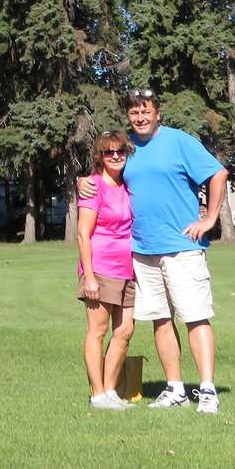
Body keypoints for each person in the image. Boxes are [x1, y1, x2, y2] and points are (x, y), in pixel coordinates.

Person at [80, 88, 228, 414]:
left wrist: (210, 217)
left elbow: (218, 173)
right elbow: (107, 172)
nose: (140, 117)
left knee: (194, 317)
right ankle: (174, 387)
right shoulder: (128, 149)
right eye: (134, 113)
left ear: (157, 113)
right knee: (160, 319)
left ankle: (206, 389)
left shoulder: (179, 141)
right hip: (142, 252)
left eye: (146, 111)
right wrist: (84, 181)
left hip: (181, 247)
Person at [77, 129, 137, 411]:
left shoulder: (128, 184)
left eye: (120, 151)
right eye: (108, 152)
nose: (115, 156)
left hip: (129, 269)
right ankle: (97, 394)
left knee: (125, 330)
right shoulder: (92, 186)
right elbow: (82, 234)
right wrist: (88, 276)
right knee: (97, 331)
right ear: (99, 157)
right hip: (100, 268)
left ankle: (111, 390)